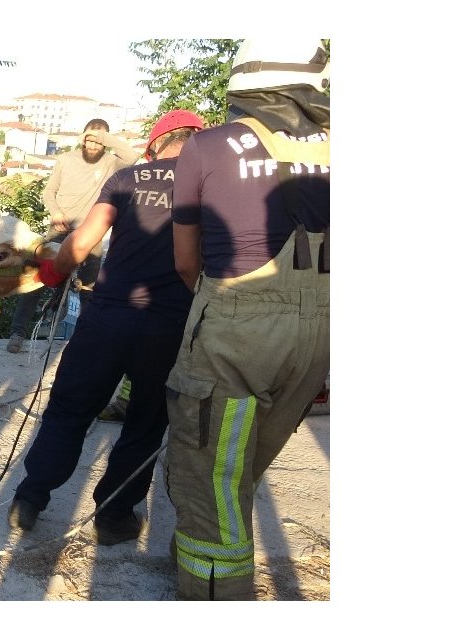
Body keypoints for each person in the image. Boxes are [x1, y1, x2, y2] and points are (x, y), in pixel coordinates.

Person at [164, 38, 329, 601]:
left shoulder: (208, 146)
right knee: (248, 454)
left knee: (211, 468)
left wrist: (217, 308)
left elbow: (186, 261)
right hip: (325, 325)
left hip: (239, 322)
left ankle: (216, 595)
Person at [6, 110, 205, 546]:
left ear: (154, 145)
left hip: (106, 318)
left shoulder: (127, 178)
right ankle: (113, 516)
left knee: (69, 409)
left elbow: (80, 244)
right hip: (167, 326)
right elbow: (191, 263)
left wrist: (52, 273)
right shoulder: (208, 186)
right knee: (146, 422)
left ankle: (30, 498)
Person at [6, 118, 137, 353]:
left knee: (88, 289)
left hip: (91, 235)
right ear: (82, 137)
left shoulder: (111, 163)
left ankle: (88, 339)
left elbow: (132, 157)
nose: (94, 144)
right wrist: (55, 212)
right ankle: (17, 333)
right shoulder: (66, 159)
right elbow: (49, 191)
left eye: (99, 140)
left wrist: (103, 137)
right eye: (90, 138)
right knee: (36, 281)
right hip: (59, 231)